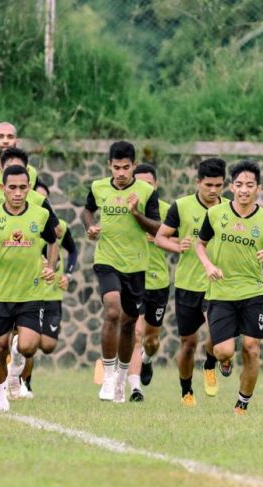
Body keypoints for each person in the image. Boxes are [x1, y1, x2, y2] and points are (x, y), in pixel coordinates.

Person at [195, 160, 263, 415]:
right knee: (224, 350)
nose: (244, 190)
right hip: (221, 291)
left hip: (253, 292)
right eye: (239, 185)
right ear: (231, 187)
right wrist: (208, 265)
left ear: (258, 188)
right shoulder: (215, 214)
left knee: (251, 347)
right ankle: (221, 360)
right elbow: (199, 244)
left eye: (249, 185)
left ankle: (242, 404)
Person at [0, 165, 59, 413]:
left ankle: (16, 366)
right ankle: (0, 397)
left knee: (29, 345)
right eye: (12, 188)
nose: (18, 193)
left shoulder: (40, 216)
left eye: (23, 187)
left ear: (29, 188)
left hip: (31, 293)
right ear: (2, 188)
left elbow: (53, 241)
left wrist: (51, 266)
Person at [82, 141, 161, 403]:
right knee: (112, 310)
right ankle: (107, 375)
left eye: (126, 167)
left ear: (134, 166)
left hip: (136, 265)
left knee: (129, 325)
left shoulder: (146, 191)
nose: (121, 173)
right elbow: (87, 210)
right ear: (109, 166)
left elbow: (155, 229)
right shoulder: (98, 187)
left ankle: (121, 377)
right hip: (106, 259)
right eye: (116, 167)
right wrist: (91, 226)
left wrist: (135, 212)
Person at [154, 158, 226, 406]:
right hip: (187, 286)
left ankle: (209, 363)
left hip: (217, 286)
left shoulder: (229, 210)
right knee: (188, 344)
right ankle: (186, 390)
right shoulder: (181, 207)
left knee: (218, 335)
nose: (213, 190)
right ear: (198, 183)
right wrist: (177, 245)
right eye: (208, 184)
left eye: (218, 185)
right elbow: (160, 238)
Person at [7, 182, 78, 399]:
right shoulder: (17, 225)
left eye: (44, 199)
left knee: (46, 345)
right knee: (27, 340)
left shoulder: (59, 227)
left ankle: (20, 377)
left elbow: (73, 251)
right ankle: (22, 383)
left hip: (52, 293)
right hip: (26, 291)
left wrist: (68, 274)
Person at [126, 164, 170, 402]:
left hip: (159, 282)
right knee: (136, 333)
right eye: (138, 184)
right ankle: (135, 389)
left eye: (148, 185)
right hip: (133, 278)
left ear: (156, 186)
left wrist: (162, 237)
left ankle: (147, 360)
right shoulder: (123, 210)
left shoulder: (167, 212)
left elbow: (184, 241)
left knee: (151, 340)